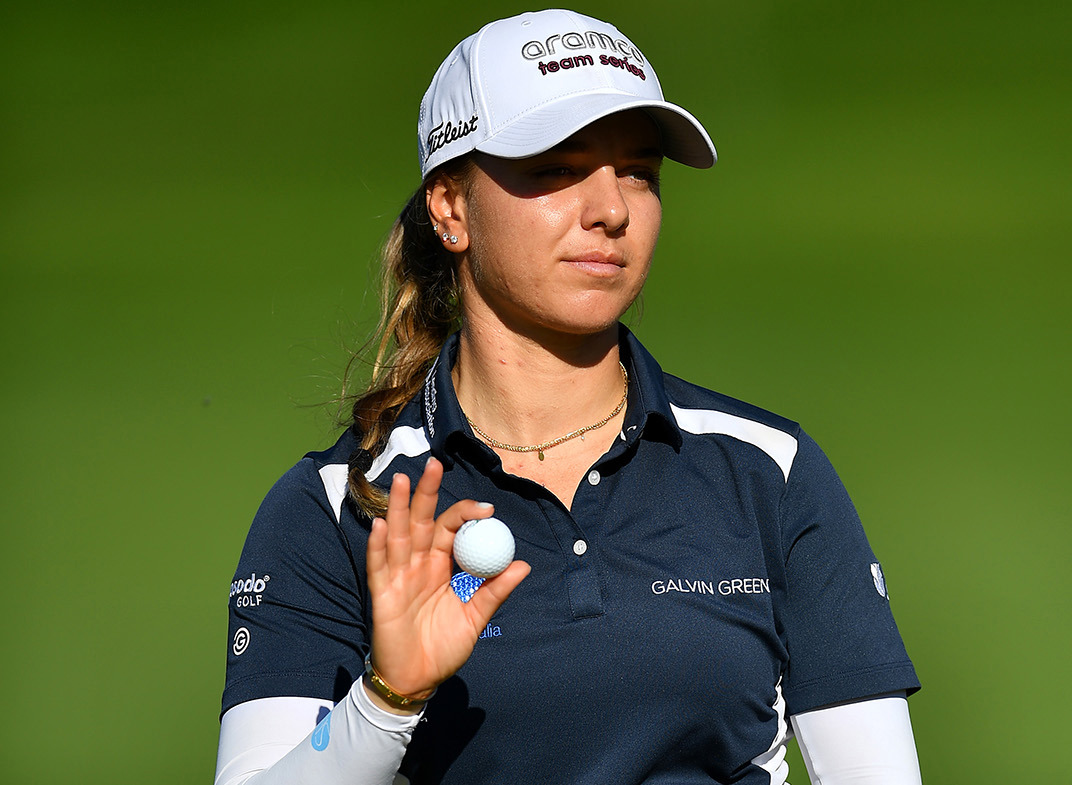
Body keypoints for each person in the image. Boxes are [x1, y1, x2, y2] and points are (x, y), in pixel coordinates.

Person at [216, 9, 921, 784]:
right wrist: (388, 701)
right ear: (451, 207)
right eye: (557, 169)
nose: (612, 210)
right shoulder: (337, 506)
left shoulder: (768, 473)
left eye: (640, 174)